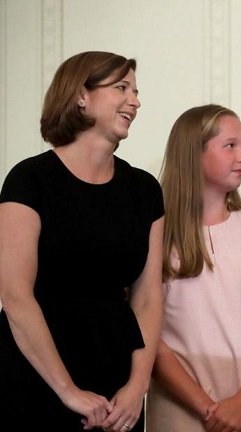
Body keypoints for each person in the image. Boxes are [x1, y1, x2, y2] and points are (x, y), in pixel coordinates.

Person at [0, 51, 164, 431]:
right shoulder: (30, 180)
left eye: (136, 91)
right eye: (122, 87)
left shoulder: (144, 190)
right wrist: (68, 390)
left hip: (115, 377)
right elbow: (16, 295)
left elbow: (149, 296)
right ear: (80, 96)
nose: (135, 101)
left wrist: (137, 386)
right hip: (35, 375)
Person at [147, 104, 241, 432]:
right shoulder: (156, 234)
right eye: (230, 146)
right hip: (179, 406)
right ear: (192, 153)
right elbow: (148, 330)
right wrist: (205, 405)